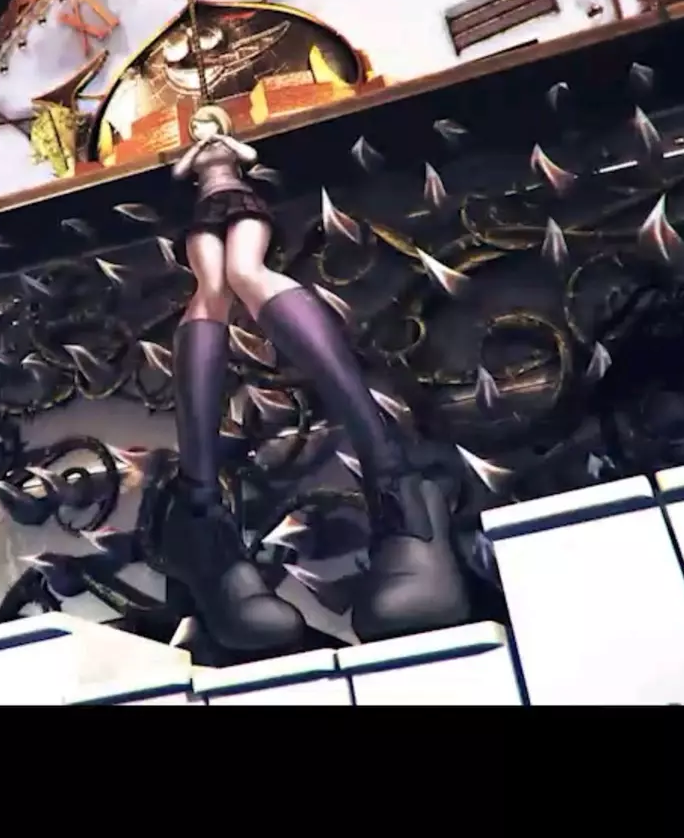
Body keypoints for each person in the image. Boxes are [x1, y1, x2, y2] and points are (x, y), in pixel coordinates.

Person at [164, 103, 471, 651]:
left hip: (235, 200)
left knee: (242, 275)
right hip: (207, 210)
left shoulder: (229, 156)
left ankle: (396, 483)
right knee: (215, 286)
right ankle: (200, 516)